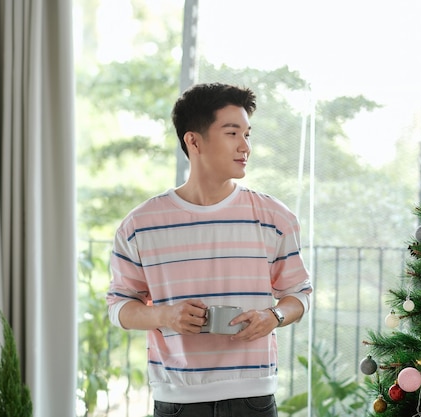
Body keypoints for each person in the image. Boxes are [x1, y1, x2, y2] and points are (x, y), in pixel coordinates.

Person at [106, 82, 312, 417]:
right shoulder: (140, 225)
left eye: (248, 134)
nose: (245, 146)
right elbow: (118, 306)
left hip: (254, 397)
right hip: (177, 400)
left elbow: (300, 295)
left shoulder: (275, 217)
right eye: (232, 133)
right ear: (193, 140)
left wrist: (272, 317)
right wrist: (165, 315)